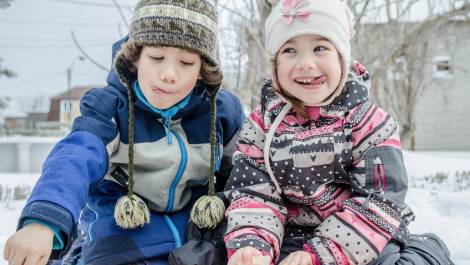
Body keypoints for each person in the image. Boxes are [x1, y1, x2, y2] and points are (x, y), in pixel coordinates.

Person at [3, 0, 245, 264]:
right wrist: (44, 220)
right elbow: (76, 157)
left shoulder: (221, 113)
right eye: (156, 57)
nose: (169, 74)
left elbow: (247, 173)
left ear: (202, 70)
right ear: (135, 58)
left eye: (186, 62)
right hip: (122, 237)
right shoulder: (110, 108)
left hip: (197, 237)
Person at [223, 0, 454, 265]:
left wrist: (322, 255)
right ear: (275, 66)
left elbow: (378, 200)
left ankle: (427, 251)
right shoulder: (261, 126)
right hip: (290, 235)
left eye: (320, 48)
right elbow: (254, 193)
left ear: (342, 58)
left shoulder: (368, 123)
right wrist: (254, 245)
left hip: (365, 235)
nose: (306, 63)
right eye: (289, 50)